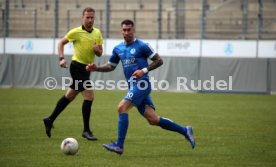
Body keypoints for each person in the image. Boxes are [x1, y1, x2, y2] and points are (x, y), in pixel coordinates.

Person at [86, 19, 195, 154]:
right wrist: (96, 68)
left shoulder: (142, 45)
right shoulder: (118, 48)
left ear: (133, 30)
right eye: (124, 30)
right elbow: (110, 66)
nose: (126, 32)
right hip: (133, 86)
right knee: (153, 119)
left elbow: (159, 60)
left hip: (142, 84)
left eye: (129, 30)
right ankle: (185, 130)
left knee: (122, 108)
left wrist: (143, 70)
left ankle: (119, 145)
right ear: (121, 31)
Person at [43, 7, 103, 140]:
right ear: (82, 18)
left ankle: (50, 119)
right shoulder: (76, 32)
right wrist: (61, 58)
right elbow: (61, 43)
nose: (90, 20)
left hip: (87, 69)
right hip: (77, 67)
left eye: (92, 17)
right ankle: (86, 130)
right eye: (87, 17)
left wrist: (96, 50)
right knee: (89, 97)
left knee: (70, 96)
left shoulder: (97, 33)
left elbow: (100, 53)